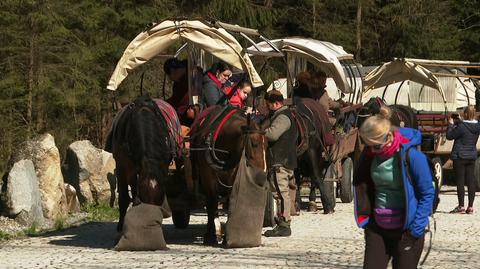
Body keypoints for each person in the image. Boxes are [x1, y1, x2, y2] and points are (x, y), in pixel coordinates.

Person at [354, 106, 435, 269]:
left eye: (376, 146)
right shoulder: (370, 155)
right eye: (369, 146)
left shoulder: (413, 157)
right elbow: (362, 185)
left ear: (389, 136)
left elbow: (427, 194)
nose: (372, 150)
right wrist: (366, 221)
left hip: (406, 229)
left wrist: (415, 231)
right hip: (377, 227)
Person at [263, 90, 298, 237]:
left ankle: (284, 225)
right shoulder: (283, 115)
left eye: (268, 104)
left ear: (276, 104)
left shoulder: (282, 117)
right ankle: (282, 222)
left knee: (281, 193)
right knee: (282, 193)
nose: (266, 107)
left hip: (280, 161)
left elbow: (272, 134)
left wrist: (260, 132)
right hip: (283, 160)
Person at [446, 105, 480, 214]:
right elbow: (468, 127)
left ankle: (461, 206)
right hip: (471, 155)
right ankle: (470, 207)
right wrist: (461, 121)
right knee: (471, 181)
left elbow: (449, 136)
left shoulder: (461, 126)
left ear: (465, 114)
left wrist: (451, 124)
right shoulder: (478, 126)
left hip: (460, 156)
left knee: (460, 181)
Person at [163, 58, 191, 124]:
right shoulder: (179, 81)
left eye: (169, 76)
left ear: (172, 71)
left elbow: (179, 102)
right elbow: (175, 99)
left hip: (184, 118)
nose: (170, 79)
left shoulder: (189, 79)